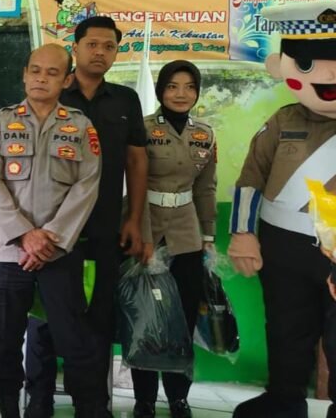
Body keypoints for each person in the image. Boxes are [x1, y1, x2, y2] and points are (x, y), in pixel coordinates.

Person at [25, 15, 150, 418]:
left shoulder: (125, 100)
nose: (100, 52)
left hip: (102, 228)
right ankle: (39, 401)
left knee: (97, 317)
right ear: (75, 48)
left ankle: (92, 405)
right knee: (44, 316)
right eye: (92, 44)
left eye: (109, 46)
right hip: (51, 230)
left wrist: (133, 218)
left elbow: (136, 160)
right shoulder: (52, 91)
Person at [0, 44, 103, 418]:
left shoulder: (80, 126)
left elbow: (87, 184)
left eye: (52, 73)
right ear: (24, 74)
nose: (41, 78)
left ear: (66, 80)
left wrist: (51, 238)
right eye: (35, 70)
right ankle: (9, 411)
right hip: (9, 252)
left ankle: (87, 410)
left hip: (58, 252)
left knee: (74, 341)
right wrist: (24, 235)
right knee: (3, 343)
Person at [228, 0, 336, 418]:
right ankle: (284, 398)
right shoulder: (282, 120)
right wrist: (243, 233)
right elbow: (250, 177)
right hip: (283, 247)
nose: (329, 74)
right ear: (282, 67)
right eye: (309, 63)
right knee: (286, 325)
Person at [130, 60, 216, 418]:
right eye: (172, 86)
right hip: (146, 229)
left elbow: (206, 188)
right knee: (145, 319)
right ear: (160, 90)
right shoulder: (142, 128)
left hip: (186, 235)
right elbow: (130, 181)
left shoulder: (205, 134)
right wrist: (139, 234)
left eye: (190, 87)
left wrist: (208, 236)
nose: (181, 94)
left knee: (183, 318)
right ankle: (144, 399)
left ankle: (179, 396)